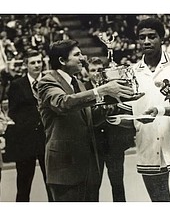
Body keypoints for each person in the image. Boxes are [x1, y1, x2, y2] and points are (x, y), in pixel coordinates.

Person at [37, 39, 140, 202]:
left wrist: (115, 100)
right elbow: (63, 103)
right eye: (77, 54)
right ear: (62, 61)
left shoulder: (77, 83)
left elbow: (90, 118)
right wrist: (100, 90)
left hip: (89, 167)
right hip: (66, 168)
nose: (83, 58)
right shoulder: (47, 81)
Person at [130, 17, 170, 202]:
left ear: (162, 38)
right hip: (148, 148)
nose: (146, 41)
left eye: (152, 36)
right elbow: (129, 112)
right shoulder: (132, 72)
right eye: (142, 37)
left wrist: (160, 110)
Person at [85, 57, 136, 201]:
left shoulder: (114, 86)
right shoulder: (83, 88)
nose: (96, 74)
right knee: (93, 186)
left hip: (113, 142)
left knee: (118, 184)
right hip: (93, 145)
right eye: (92, 70)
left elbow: (125, 108)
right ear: (86, 72)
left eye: (99, 70)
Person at [7, 49, 53, 202]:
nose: (37, 65)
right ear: (26, 65)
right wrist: (31, 123)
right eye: (33, 62)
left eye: (39, 62)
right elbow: (13, 112)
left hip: (47, 139)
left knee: (52, 184)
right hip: (25, 142)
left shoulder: (49, 81)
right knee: (24, 185)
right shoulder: (17, 85)